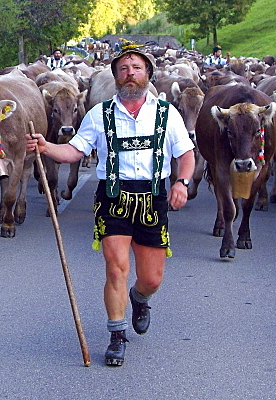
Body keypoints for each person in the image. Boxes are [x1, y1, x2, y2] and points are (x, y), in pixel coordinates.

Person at [26, 48, 195, 367]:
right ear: (116, 76)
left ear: (148, 75)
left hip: (152, 196)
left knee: (152, 278)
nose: (130, 73)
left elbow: (185, 155)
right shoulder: (99, 114)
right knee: (116, 268)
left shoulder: (166, 113)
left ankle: (140, 298)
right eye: (124, 68)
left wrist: (181, 183)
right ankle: (117, 336)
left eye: (137, 68)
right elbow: (76, 151)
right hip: (113, 197)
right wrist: (47, 147)